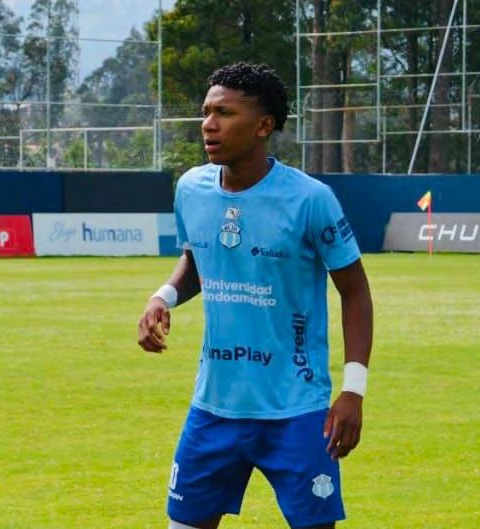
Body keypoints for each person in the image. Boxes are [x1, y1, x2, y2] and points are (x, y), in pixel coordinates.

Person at [137, 62, 374, 529]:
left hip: (297, 409)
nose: (209, 124)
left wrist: (353, 391)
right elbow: (198, 262)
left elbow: (356, 293)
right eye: (206, 112)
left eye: (225, 113)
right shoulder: (191, 189)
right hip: (214, 406)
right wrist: (162, 296)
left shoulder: (310, 199)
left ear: (263, 126)